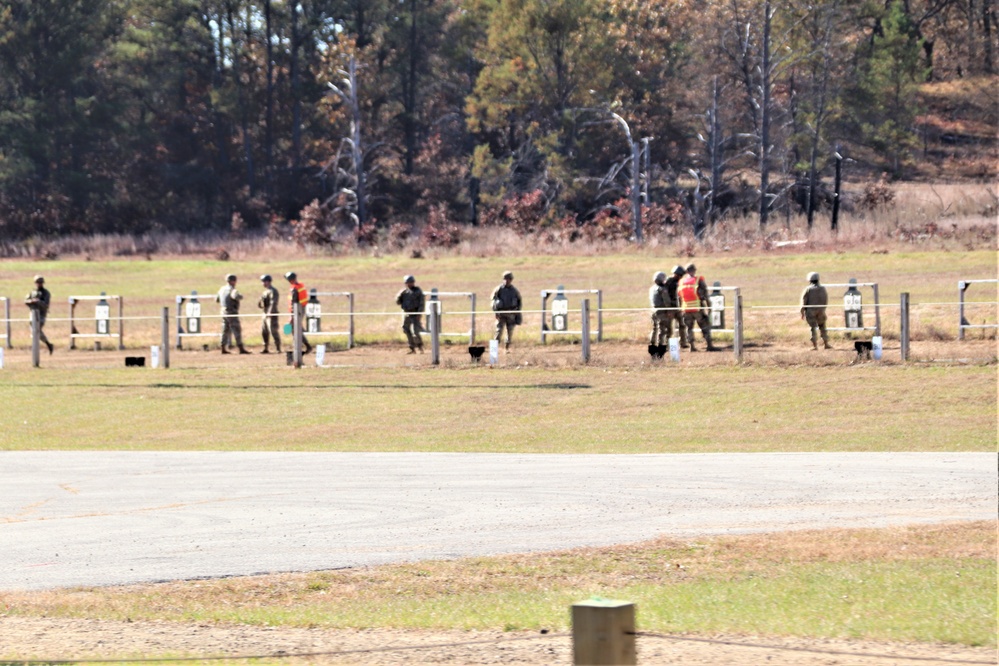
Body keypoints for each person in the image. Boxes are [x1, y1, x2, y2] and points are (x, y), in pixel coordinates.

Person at [679, 264, 718, 351]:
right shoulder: (698, 280)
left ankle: (692, 347)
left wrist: (681, 309)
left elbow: (679, 296)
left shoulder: (681, 281)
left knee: (689, 328)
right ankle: (709, 345)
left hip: (685, 309)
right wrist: (709, 306)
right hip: (697, 308)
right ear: (694, 270)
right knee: (704, 326)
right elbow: (706, 294)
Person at [217, 274, 250, 354]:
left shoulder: (221, 289)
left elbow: (217, 299)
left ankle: (223, 347)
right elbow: (237, 297)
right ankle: (240, 348)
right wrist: (240, 296)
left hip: (223, 312)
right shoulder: (232, 290)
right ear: (233, 281)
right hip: (231, 312)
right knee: (236, 329)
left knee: (225, 330)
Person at [491, 270, 522, 350]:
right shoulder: (498, 289)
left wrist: (517, 313)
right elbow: (493, 300)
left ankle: (506, 348)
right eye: (505, 278)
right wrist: (495, 312)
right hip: (501, 313)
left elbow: (519, 301)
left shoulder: (514, 291)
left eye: (508, 279)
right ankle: (494, 349)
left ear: (511, 280)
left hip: (511, 314)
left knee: (510, 332)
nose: (507, 280)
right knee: (498, 331)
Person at [801, 271, 831, 350]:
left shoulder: (808, 289)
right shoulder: (822, 288)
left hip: (811, 311)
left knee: (813, 328)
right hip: (821, 310)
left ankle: (815, 346)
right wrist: (823, 309)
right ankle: (826, 344)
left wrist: (802, 312)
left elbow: (803, 301)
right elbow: (825, 299)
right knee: (822, 327)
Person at [396, 275, 425, 353]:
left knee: (415, 332)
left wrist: (419, 314)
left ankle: (420, 346)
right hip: (407, 313)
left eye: (411, 282)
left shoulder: (418, 291)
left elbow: (421, 303)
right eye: (408, 282)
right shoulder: (404, 292)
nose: (410, 284)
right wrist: (399, 295)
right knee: (406, 329)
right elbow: (398, 302)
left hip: (415, 313)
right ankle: (412, 347)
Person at [24, 275, 54, 354]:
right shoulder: (32, 292)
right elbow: (26, 301)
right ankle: (48, 344)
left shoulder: (46, 293)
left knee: (36, 331)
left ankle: (39, 346)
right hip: (32, 314)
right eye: (37, 282)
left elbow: (46, 305)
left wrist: (39, 302)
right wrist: (31, 301)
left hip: (41, 315)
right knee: (35, 331)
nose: (39, 284)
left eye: (40, 282)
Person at [284, 272, 312, 354]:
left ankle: (301, 347)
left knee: (295, 330)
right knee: (297, 329)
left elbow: (294, 303)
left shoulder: (294, 289)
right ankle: (304, 346)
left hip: (296, 311)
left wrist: (292, 316)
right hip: (301, 309)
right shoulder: (300, 286)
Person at [663, 265, 688, 349]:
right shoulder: (668, 281)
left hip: (679, 307)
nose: (681, 276)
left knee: (682, 325)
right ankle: (666, 344)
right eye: (680, 275)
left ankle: (683, 342)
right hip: (671, 307)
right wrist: (668, 309)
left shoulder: (680, 282)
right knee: (669, 327)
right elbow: (665, 296)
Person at [258, 274, 281, 354]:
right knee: (264, 331)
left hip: (271, 314)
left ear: (268, 282)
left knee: (273, 331)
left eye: (264, 281)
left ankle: (278, 347)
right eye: (262, 282)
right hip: (265, 313)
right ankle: (265, 347)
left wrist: (270, 312)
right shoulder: (265, 291)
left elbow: (273, 302)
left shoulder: (273, 291)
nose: (263, 283)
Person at [648, 271, 669, 348]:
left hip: (653, 310)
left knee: (654, 328)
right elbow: (666, 301)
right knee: (662, 329)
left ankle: (652, 343)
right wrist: (669, 310)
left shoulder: (652, 289)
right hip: (661, 312)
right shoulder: (662, 289)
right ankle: (661, 344)